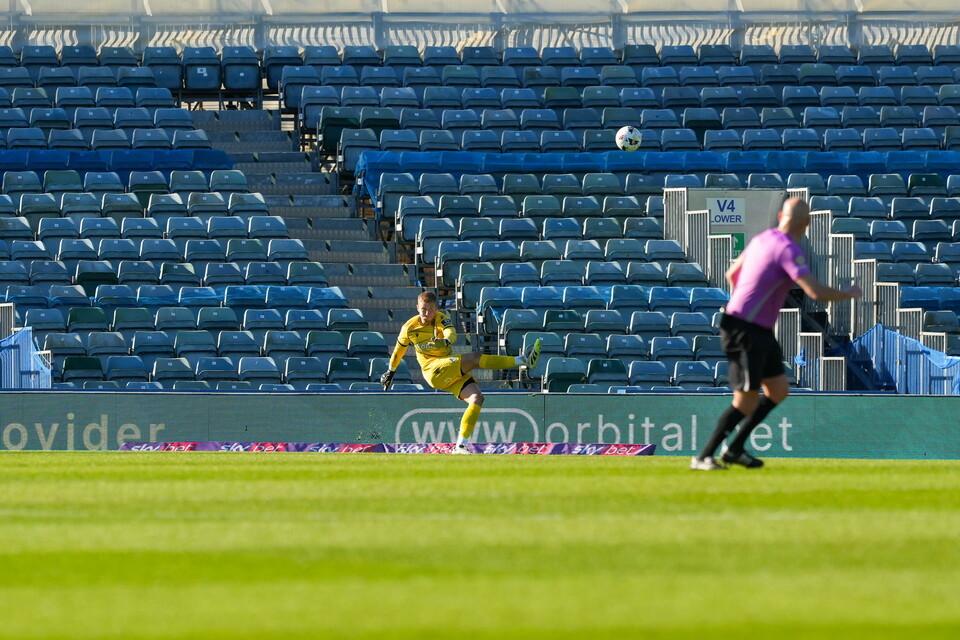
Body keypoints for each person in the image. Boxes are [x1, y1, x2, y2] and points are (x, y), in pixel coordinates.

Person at [691, 198, 863, 471]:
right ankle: (704, 456)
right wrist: (848, 294)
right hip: (745, 328)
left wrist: (748, 299)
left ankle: (735, 449)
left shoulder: (762, 239)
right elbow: (815, 292)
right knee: (745, 400)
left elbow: (732, 273)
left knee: (778, 390)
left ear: (781, 215)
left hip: (753, 326)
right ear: (807, 224)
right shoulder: (789, 249)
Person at [381, 291, 541, 454]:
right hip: (432, 370)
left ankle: (460, 446)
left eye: (430, 309)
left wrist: (446, 340)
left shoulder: (441, 318)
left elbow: (452, 334)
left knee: (477, 398)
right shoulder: (408, 328)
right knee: (474, 358)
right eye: (424, 309)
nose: (427, 313)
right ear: (417, 308)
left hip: (447, 370)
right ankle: (522, 360)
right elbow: (398, 352)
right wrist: (390, 371)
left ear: (436, 308)